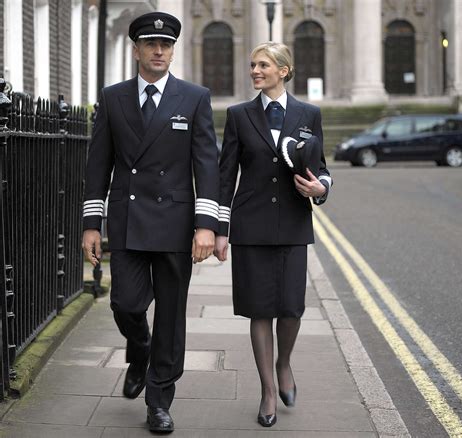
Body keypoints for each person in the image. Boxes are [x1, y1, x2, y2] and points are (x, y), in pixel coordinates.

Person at [82, 12, 220, 434]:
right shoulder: (113, 97)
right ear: (137, 49)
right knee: (125, 303)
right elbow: (98, 164)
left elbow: (207, 165)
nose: (159, 51)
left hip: (177, 224)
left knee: (172, 317)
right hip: (127, 220)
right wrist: (92, 223)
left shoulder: (194, 97)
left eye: (166, 45)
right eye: (151, 44)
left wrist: (206, 225)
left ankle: (159, 400)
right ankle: (138, 350)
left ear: (172, 50)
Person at [214, 42, 332, 427]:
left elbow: (321, 168)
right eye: (252, 65)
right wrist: (218, 229)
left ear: (284, 70)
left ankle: (284, 363)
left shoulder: (308, 114)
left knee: (291, 307)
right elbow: (224, 175)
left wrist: (322, 189)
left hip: (294, 224)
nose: (255, 71)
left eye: (263, 65)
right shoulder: (238, 116)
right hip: (251, 226)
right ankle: (267, 389)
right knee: (260, 309)